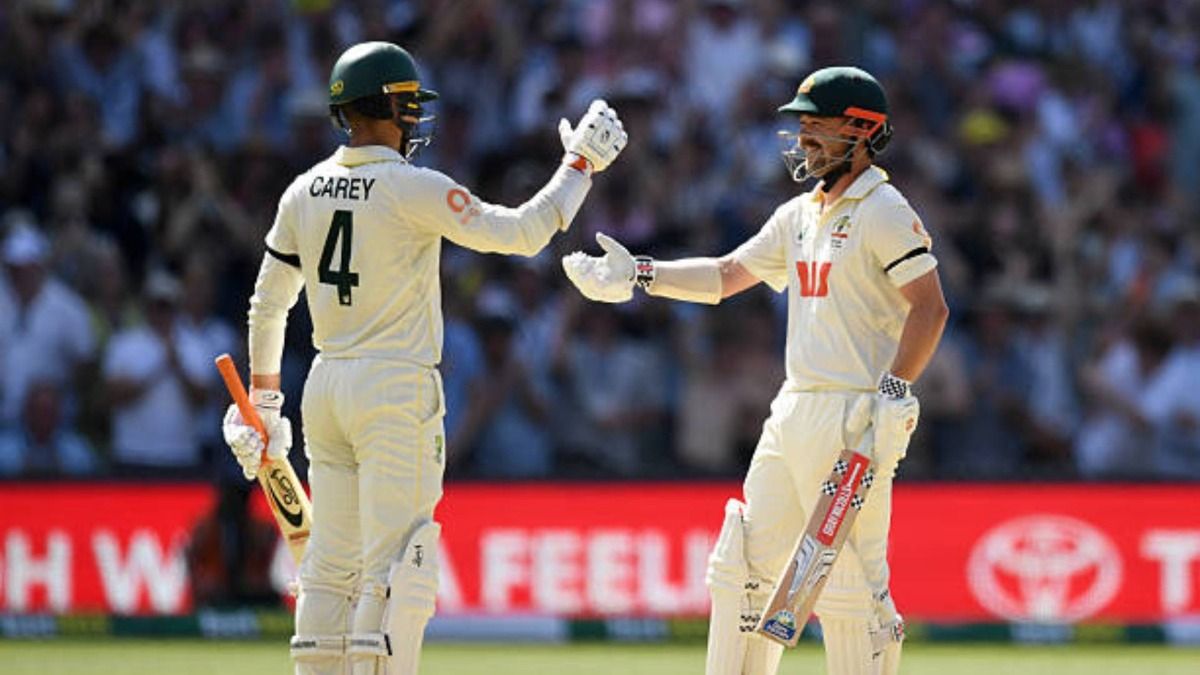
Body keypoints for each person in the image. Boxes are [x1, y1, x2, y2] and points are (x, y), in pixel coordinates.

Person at [219, 41, 625, 675]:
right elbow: (521, 233)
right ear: (381, 108)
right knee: (395, 566)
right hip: (393, 388)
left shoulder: (303, 191)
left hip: (325, 386)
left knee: (328, 565)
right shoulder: (411, 187)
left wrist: (265, 401)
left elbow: (267, 305)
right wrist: (580, 165)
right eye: (407, 107)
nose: (414, 120)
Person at [563, 66, 948, 675]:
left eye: (816, 127)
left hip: (854, 414)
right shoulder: (799, 213)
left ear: (860, 129)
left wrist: (896, 390)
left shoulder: (883, 209)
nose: (803, 141)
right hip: (793, 406)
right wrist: (639, 273)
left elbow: (930, 306)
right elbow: (724, 276)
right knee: (741, 568)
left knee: (849, 590)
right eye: (801, 129)